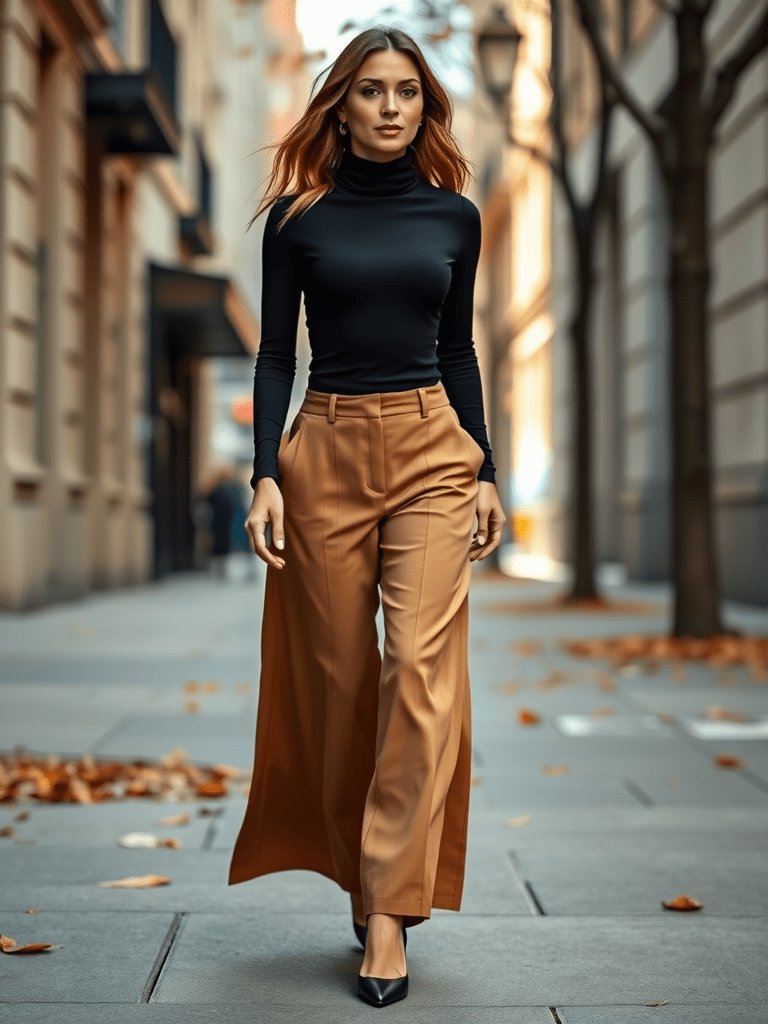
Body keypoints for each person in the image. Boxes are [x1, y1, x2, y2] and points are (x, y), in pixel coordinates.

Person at [228, 25, 505, 1008]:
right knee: (341, 677)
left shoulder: (455, 217)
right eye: (372, 91)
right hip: (326, 452)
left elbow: (463, 348)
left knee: (423, 674)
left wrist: (485, 468)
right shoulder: (298, 218)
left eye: (409, 93)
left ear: (427, 109)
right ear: (340, 103)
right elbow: (273, 355)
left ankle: (387, 910)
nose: (392, 107)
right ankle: (363, 871)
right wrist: (265, 475)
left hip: (433, 446)